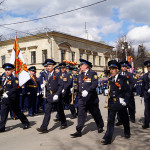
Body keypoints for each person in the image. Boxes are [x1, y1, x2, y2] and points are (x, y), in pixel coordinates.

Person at [70, 59, 104, 137]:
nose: (80, 67)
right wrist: (74, 89)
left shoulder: (93, 74)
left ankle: (100, 126)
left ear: (86, 66)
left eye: (81, 65)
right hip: (82, 98)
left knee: (95, 113)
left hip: (91, 99)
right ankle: (79, 130)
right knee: (81, 114)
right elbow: (79, 86)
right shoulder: (79, 75)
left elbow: (94, 84)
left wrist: (88, 91)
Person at [101, 60, 130, 145]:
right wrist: (106, 92)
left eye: (113, 69)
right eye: (110, 69)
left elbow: (128, 92)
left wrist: (125, 101)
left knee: (124, 119)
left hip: (120, 103)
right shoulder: (109, 80)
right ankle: (108, 138)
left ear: (117, 70)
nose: (111, 70)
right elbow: (109, 90)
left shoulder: (123, 79)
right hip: (112, 103)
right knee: (110, 121)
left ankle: (127, 131)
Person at [36, 59, 67, 133]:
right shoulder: (46, 75)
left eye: (49, 66)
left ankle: (64, 123)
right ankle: (44, 127)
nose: (48, 67)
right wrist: (43, 87)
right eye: (47, 66)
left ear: (53, 66)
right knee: (47, 112)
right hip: (49, 95)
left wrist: (57, 94)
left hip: (56, 95)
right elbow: (48, 84)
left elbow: (61, 85)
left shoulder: (57, 74)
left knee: (60, 111)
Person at [0, 63, 30, 132]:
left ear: (12, 70)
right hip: (5, 99)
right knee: (3, 114)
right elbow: (3, 88)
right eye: (6, 70)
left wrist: (8, 93)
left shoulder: (14, 79)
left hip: (12, 99)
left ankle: (25, 122)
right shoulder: (3, 79)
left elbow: (15, 88)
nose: (7, 71)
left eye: (8, 70)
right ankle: (2, 127)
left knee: (18, 112)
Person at [140, 60, 150, 129]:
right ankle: (146, 123)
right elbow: (143, 86)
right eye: (148, 67)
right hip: (147, 93)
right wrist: (141, 95)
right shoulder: (145, 76)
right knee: (147, 109)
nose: (149, 68)